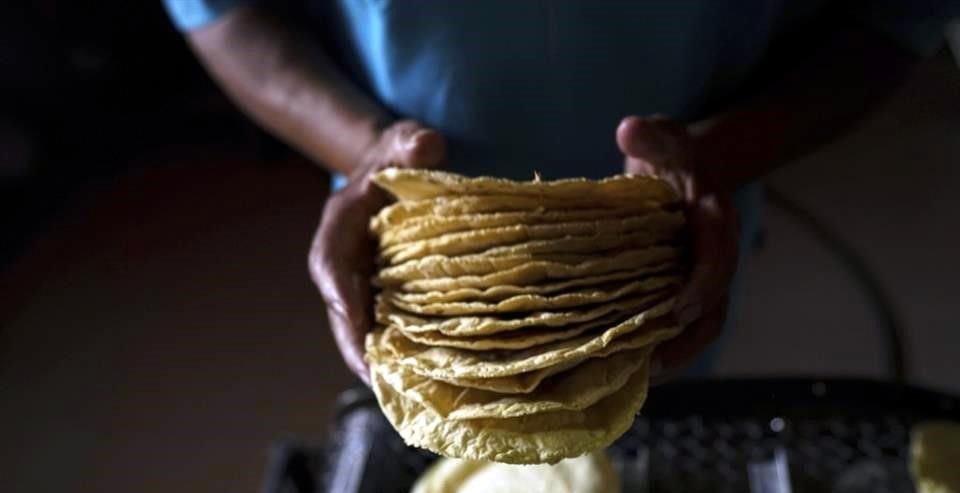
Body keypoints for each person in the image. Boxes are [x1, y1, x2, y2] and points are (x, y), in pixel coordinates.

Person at [164, 0, 957, 385]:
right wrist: (366, 150)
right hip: (411, 268)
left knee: (653, 432)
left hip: (670, 256)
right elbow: (220, 10)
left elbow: (896, 13)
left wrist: (721, 155)